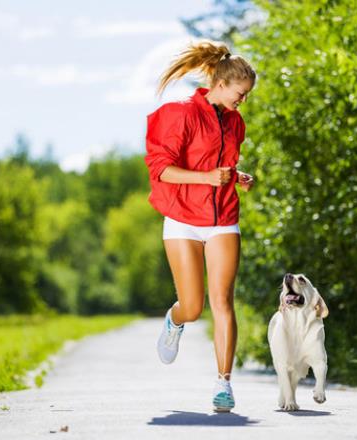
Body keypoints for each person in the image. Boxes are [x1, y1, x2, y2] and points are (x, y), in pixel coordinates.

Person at [144, 40, 257, 413]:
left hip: (223, 218)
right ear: (222, 84)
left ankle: (223, 384)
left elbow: (218, 164)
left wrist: (235, 176)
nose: (243, 101)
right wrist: (209, 177)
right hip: (182, 219)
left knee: (222, 301)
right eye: (241, 93)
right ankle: (175, 321)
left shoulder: (235, 122)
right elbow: (162, 169)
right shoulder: (180, 115)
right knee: (193, 307)